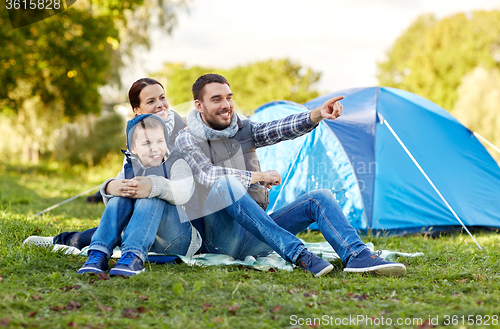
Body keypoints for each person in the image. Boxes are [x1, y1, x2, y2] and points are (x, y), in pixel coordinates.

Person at [175, 73, 407, 277]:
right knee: (226, 184)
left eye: (229, 97)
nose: (226, 104)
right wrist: (259, 176)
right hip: (220, 239)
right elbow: (207, 175)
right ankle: (299, 254)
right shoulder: (187, 137)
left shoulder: (244, 128)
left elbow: (278, 128)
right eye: (217, 99)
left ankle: (358, 256)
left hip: (259, 235)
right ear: (199, 105)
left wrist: (316, 114)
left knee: (320, 197)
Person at [23, 78, 193, 251]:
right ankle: (61, 241)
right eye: (151, 101)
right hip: (142, 217)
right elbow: (124, 186)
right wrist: (113, 187)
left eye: (162, 97)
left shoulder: (185, 131)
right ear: (137, 110)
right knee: (110, 230)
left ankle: (74, 241)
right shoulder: (136, 139)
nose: (160, 105)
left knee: (145, 204)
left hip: (177, 219)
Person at [77, 114, 197, 276]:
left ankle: (134, 255)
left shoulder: (176, 162)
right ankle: (99, 252)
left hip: (177, 239)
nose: (155, 148)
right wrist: (111, 187)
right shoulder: (130, 165)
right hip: (146, 238)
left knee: (152, 192)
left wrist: (154, 186)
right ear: (133, 148)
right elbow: (116, 202)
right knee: (123, 192)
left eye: (160, 141)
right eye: (147, 143)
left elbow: (184, 191)